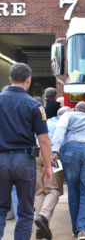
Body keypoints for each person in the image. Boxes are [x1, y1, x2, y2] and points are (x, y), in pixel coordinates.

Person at [0, 63, 52, 240]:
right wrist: (48, 166)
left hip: (1, 159)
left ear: (10, 79)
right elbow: (44, 140)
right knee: (25, 210)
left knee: (0, 208)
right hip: (24, 160)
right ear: (29, 80)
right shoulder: (35, 105)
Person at [51, 102, 85, 240]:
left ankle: (75, 230)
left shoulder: (68, 114)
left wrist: (55, 149)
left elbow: (60, 127)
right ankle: (82, 230)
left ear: (74, 109)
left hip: (71, 149)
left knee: (73, 191)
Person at [34, 106, 71, 239]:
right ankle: (43, 216)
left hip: (36, 152)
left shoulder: (48, 121)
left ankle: (39, 230)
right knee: (54, 189)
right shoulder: (65, 123)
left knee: (40, 191)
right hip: (50, 152)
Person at [1, 85, 19, 222]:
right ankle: (17, 217)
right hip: (21, 155)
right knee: (16, 191)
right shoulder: (26, 104)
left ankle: (7, 214)